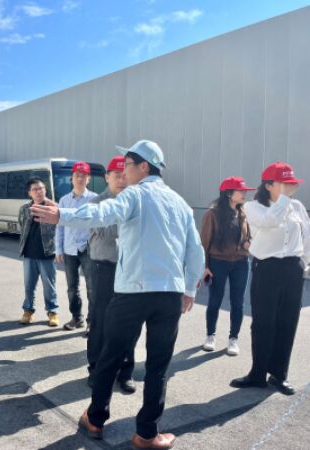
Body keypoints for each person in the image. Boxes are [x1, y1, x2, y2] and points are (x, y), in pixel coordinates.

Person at [31, 140, 205, 449]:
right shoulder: (181, 203)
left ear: (144, 167)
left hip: (132, 292)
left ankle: (95, 419)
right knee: (157, 366)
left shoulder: (134, 195)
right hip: (169, 294)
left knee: (110, 356)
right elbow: (195, 251)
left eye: (127, 165)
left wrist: (62, 216)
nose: (123, 172)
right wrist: (189, 289)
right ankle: (147, 434)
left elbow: (102, 212)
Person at [231, 162, 309, 396]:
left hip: (292, 268)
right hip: (267, 267)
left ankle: (279, 375)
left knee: (288, 321)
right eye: (285, 183)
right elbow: (269, 222)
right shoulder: (253, 207)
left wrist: (304, 263)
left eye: (292, 183)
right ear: (268, 185)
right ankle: (257, 374)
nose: (291, 187)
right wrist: (284, 199)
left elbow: (306, 235)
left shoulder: (297, 206)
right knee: (263, 322)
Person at [87, 155, 136, 394]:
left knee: (129, 322)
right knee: (100, 321)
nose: (122, 180)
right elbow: (107, 233)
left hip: (130, 269)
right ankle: (96, 368)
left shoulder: (135, 200)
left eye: (125, 175)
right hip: (104, 268)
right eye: (117, 175)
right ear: (107, 177)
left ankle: (125, 371)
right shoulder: (97, 203)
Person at [200, 176, 255, 356]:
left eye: (245, 191)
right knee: (215, 300)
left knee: (238, 302)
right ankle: (210, 336)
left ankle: (233, 339)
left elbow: (248, 237)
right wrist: (205, 266)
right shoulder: (212, 214)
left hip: (241, 263)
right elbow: (204, 243)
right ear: (229, 193)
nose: (244, 193)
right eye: (241, 191)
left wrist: (248, 243)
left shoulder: (243, 213)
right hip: (218, 262)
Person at [55, 161, 97, 332]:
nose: (80, 179)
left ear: (88, 179)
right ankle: (76, 318)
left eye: (83, 176)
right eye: (77, 176)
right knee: (72, 288)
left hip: (88, 250)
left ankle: (92, 322)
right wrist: (58, 249)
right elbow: (59, 226)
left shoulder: (95, 199)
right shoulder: (64, 200)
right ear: (71, 178)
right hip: (69, 249)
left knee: (92, 288)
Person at [18, 177, 59, 327]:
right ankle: (28, 311)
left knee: (49, 286)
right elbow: (21, 226)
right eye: (35, 189)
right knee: (29, 286)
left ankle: (52, 312)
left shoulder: (53, 207)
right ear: (30, 193)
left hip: (47, 253)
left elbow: (60, 228)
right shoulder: (24, 209)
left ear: (45, 190)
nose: (38, 191)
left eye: (41, 188)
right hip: (29, 254)